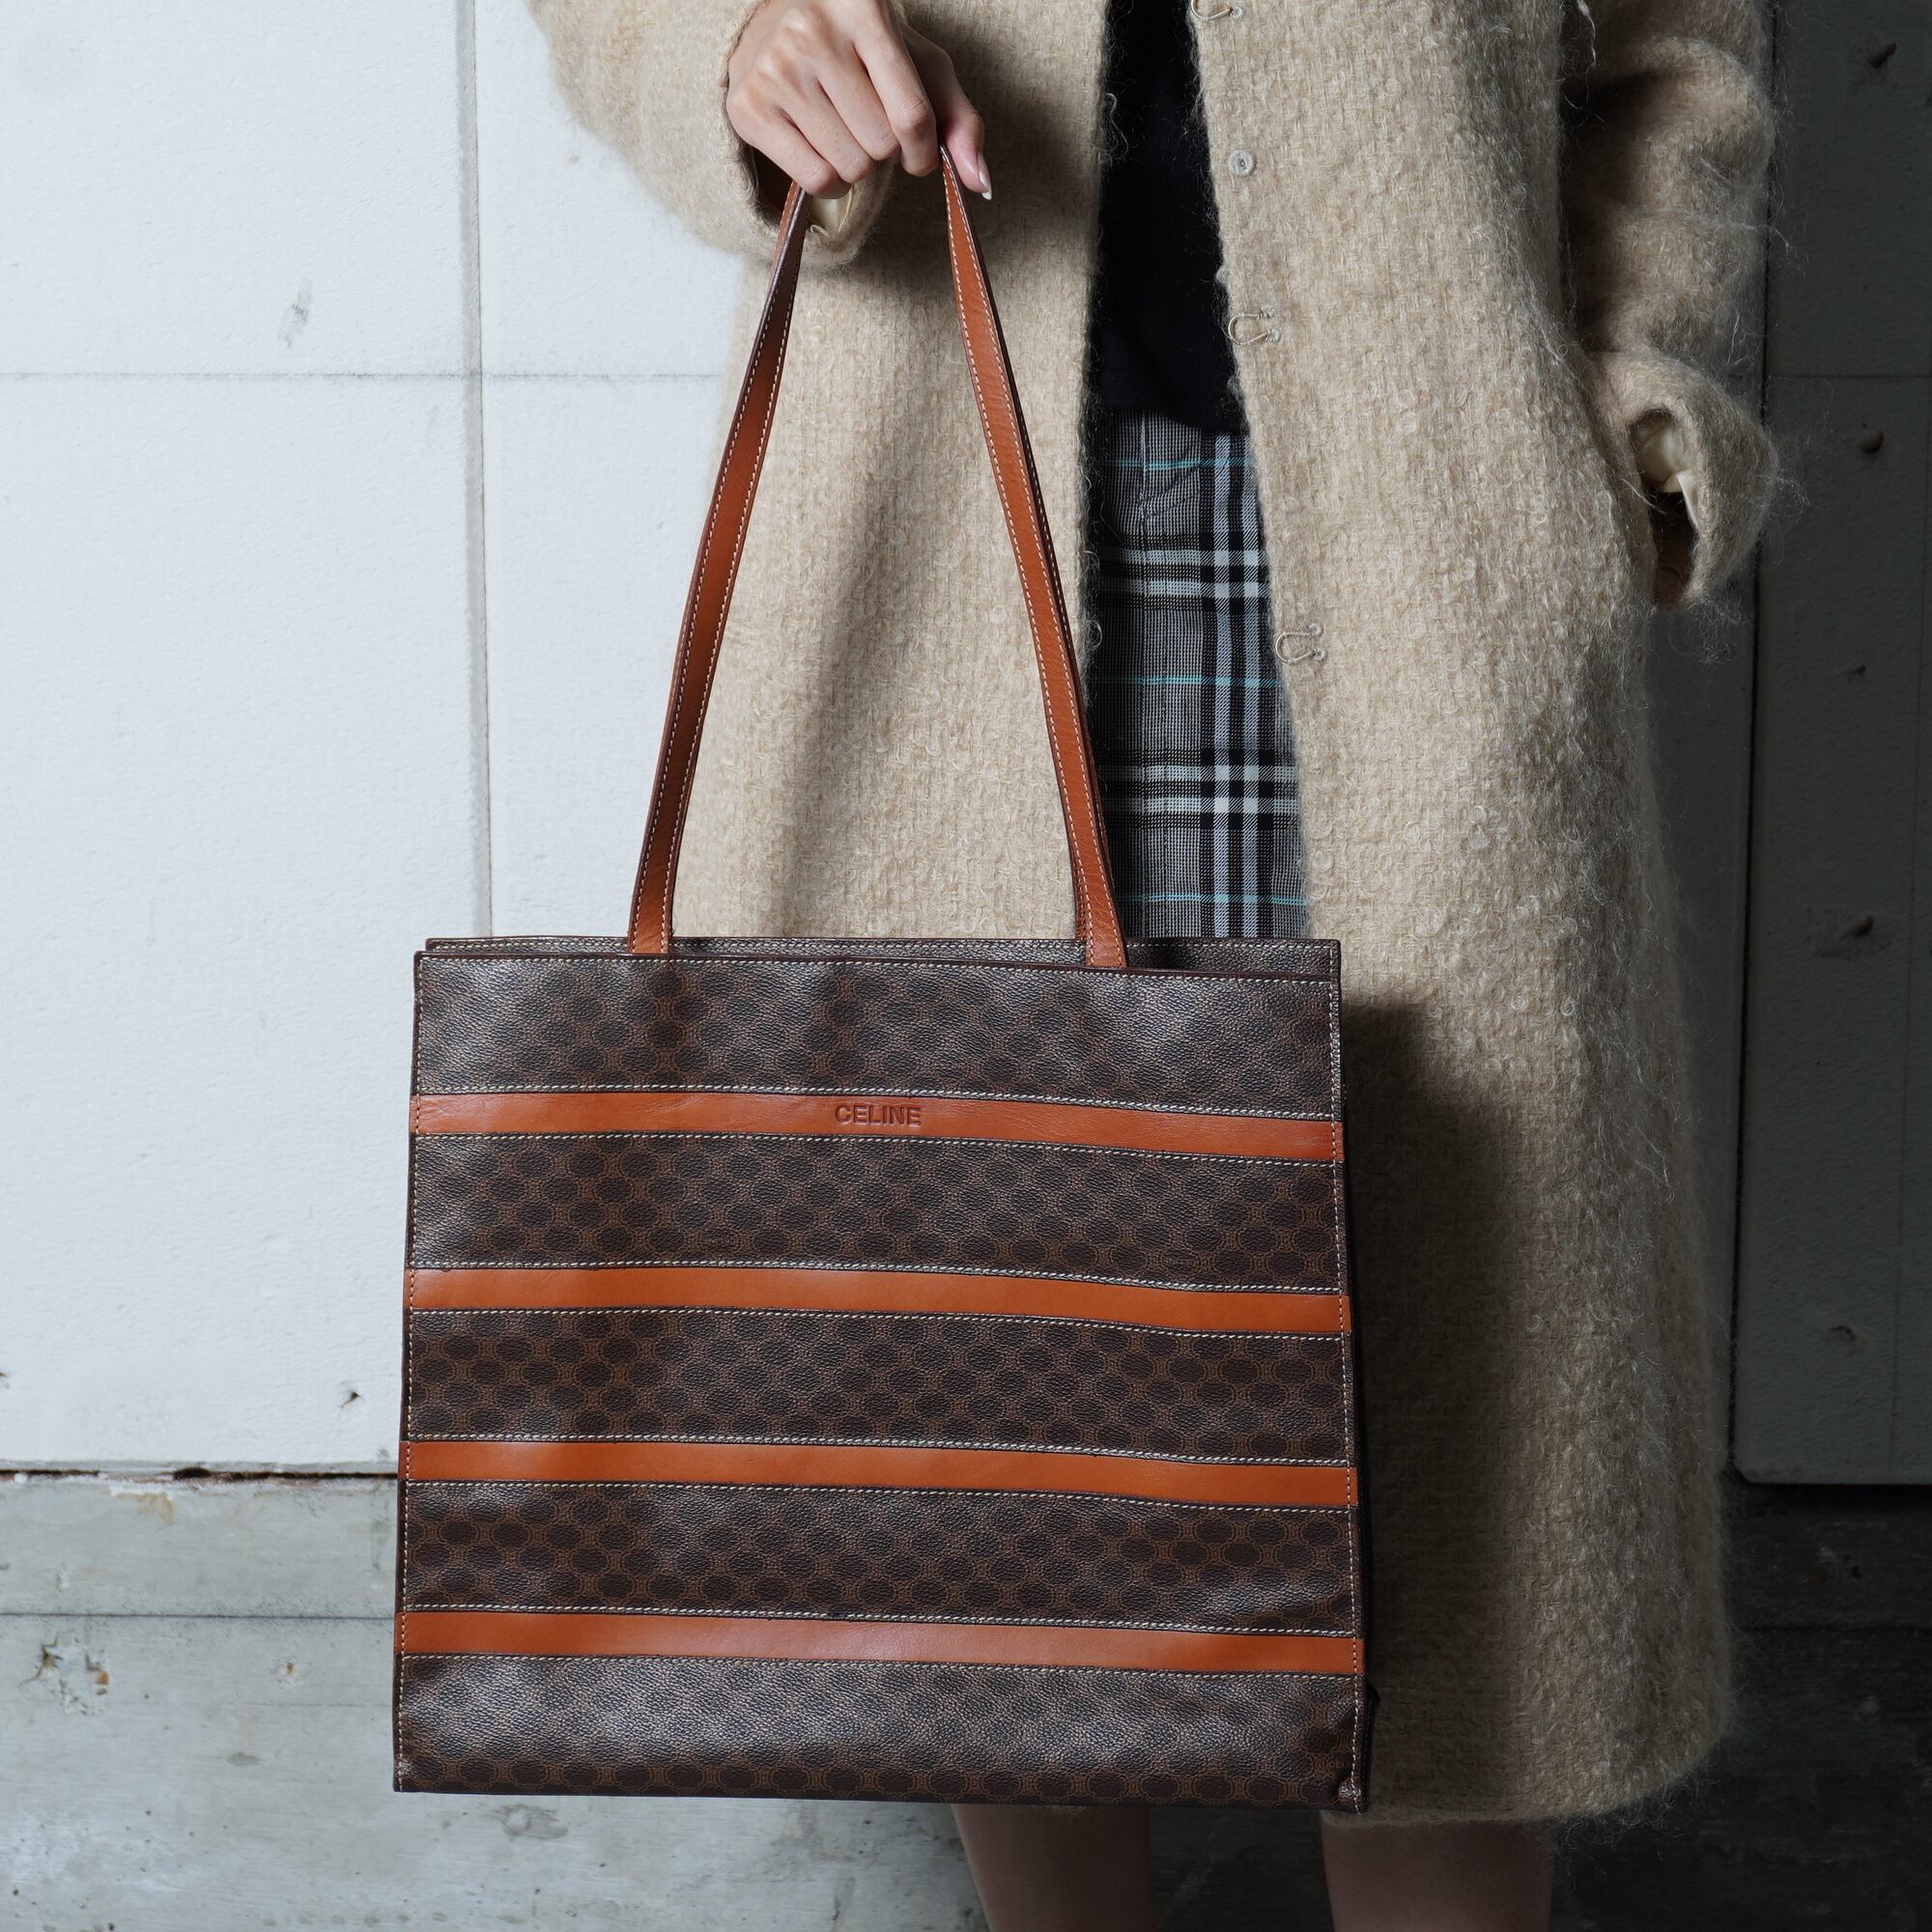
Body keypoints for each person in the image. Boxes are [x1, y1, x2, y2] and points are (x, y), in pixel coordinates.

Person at [525, 1, 1777, 1925]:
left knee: (1443, 1433)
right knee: (983, 1393)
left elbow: (1676, 51)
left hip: (1420, 540)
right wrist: (732, 42)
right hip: (949, 509)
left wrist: (1623, 411)